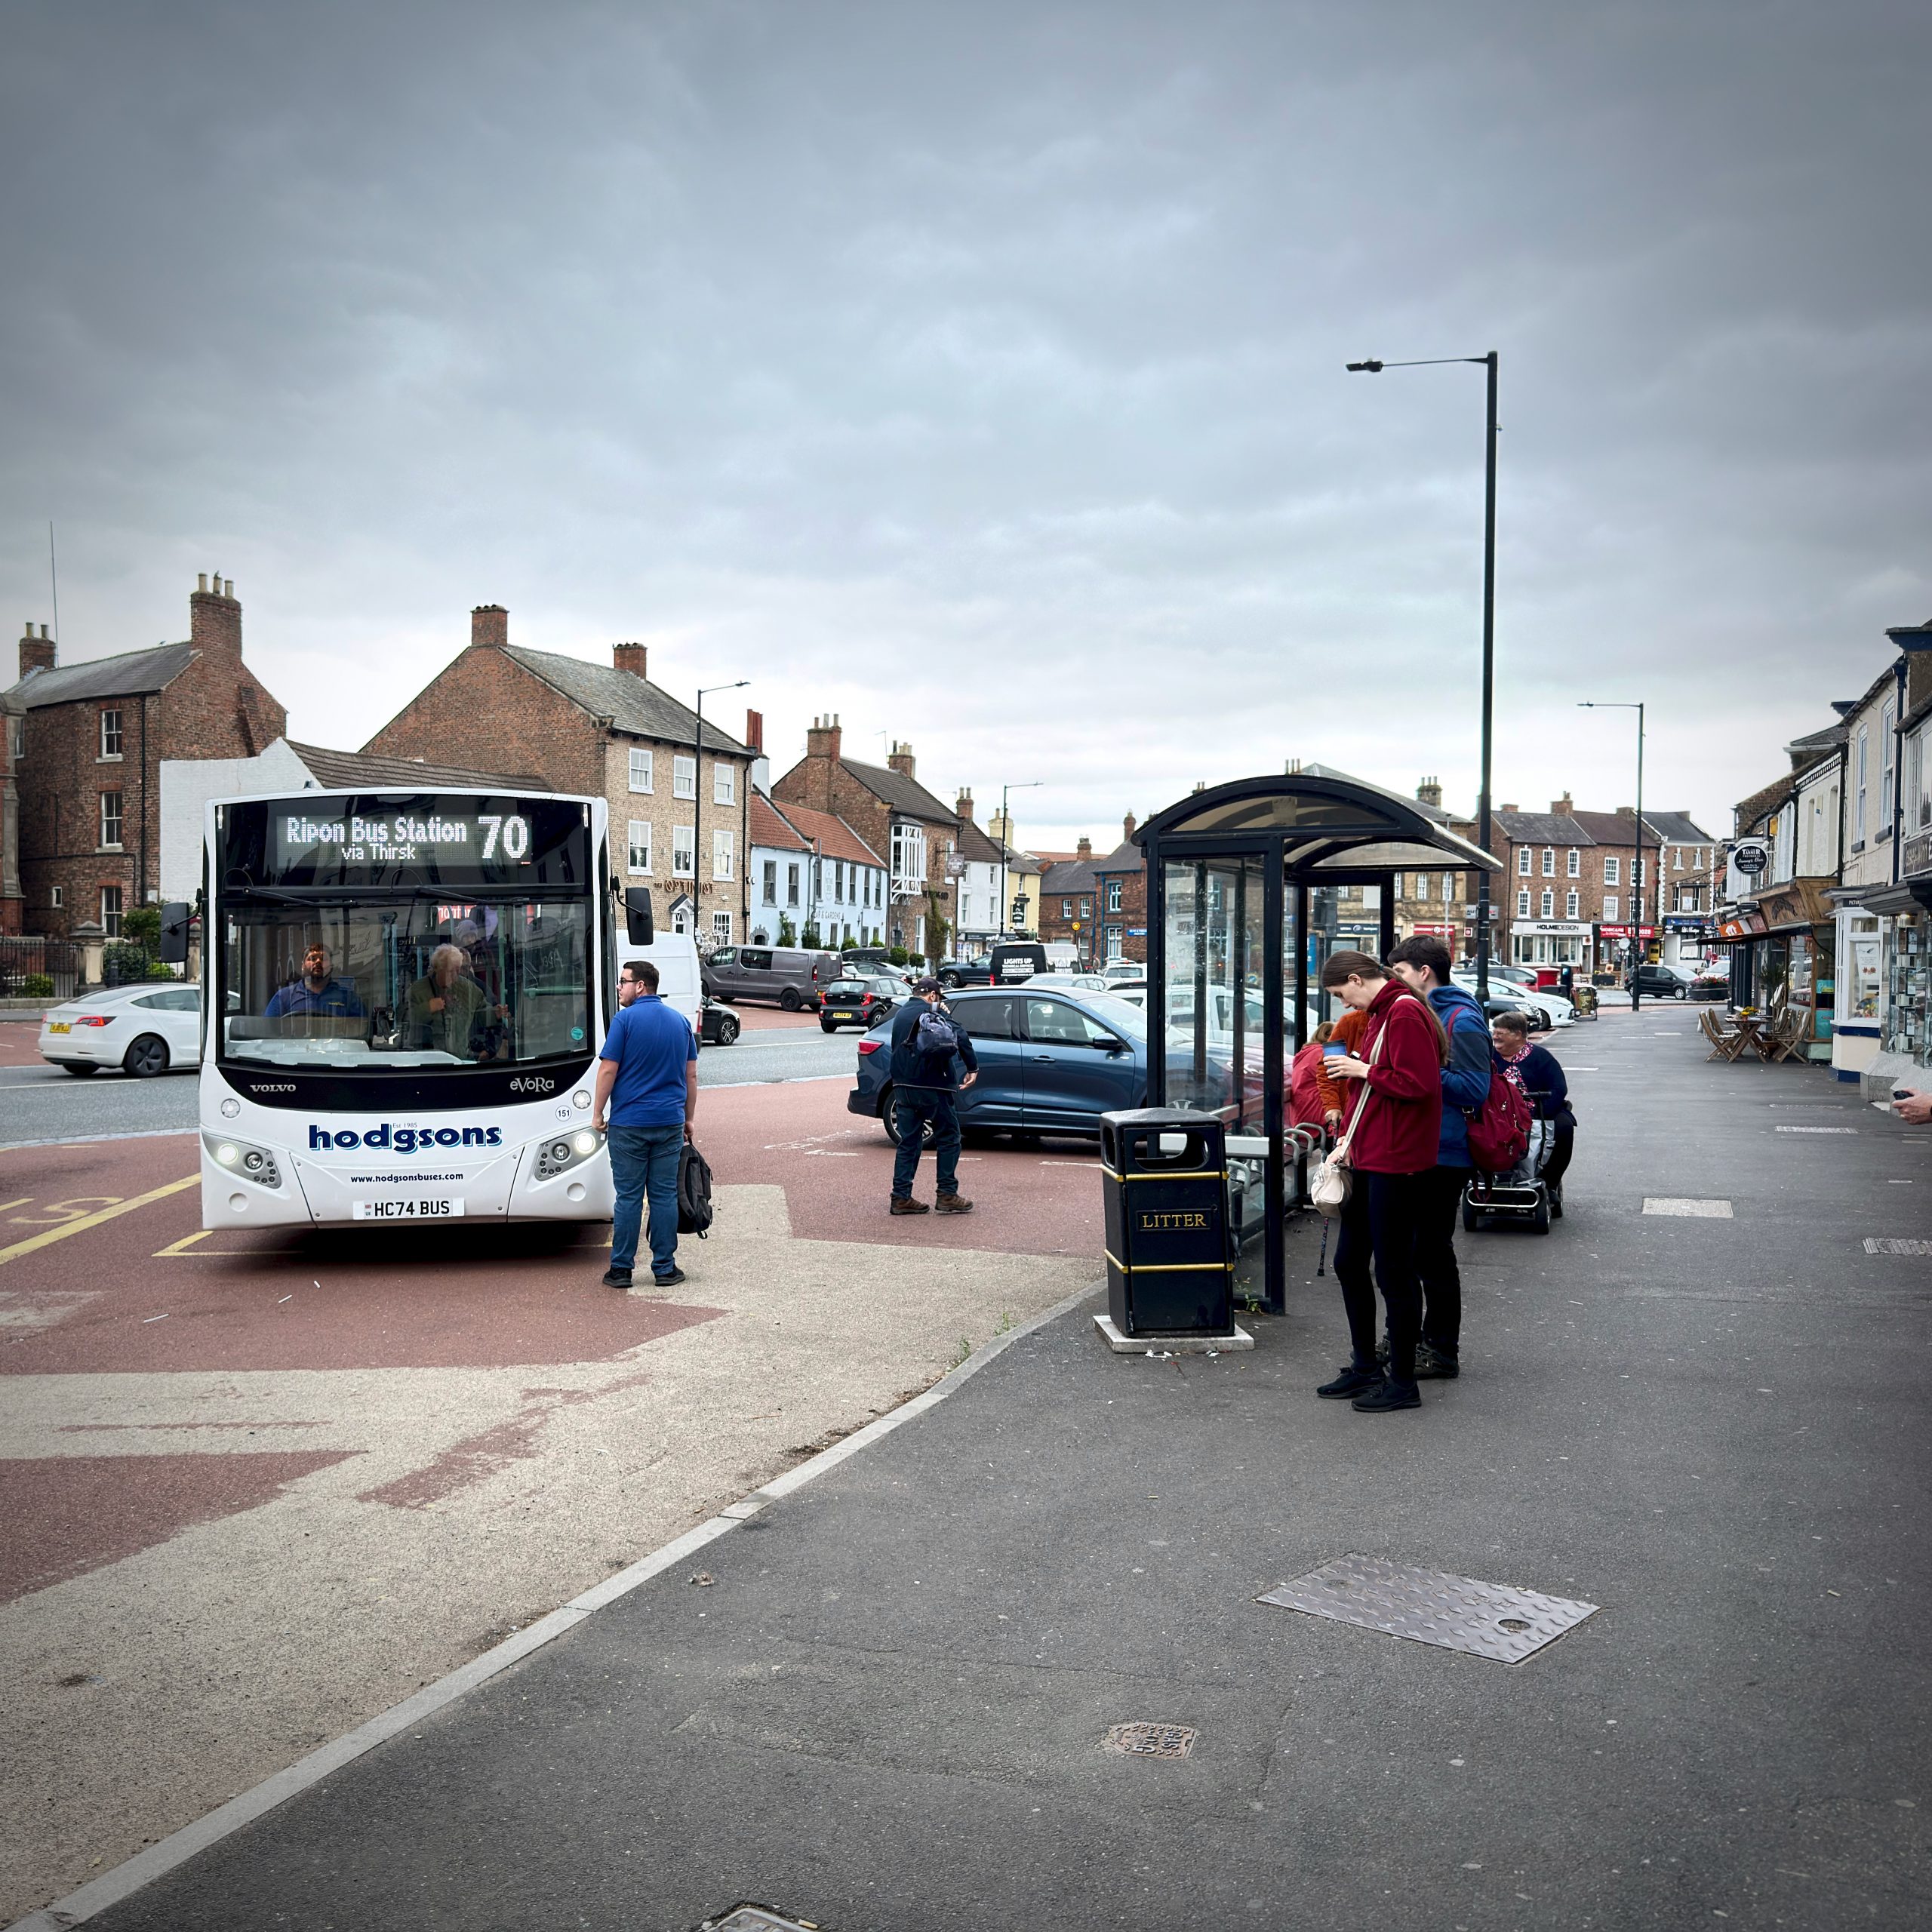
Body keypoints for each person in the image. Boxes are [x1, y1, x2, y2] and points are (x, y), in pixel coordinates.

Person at [1316, 949, 1447, 1414]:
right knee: (1350, 1263)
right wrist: (1348, 1137)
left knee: (1393, 1271)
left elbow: (1421, 1084)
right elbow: (1381, 1086)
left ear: (1356, 978)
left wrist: (1362, 1069)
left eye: (1341, 994)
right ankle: (1366, 1365)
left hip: (1398, 1160)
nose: (1344, 1005)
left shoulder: (1403, 1012)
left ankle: (1403, 1382)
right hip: (1372, 1153)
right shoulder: (1384, 1011)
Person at [1387, 934, 1494, 1376]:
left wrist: (1419, 1073)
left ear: (1423, 972)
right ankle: (1410, 1340)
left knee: (1432, 1253)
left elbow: (1476, 1088)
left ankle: (1441, 1349)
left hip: (1446, 1153)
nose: (1395, 981)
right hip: (1420, 1147)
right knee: (1412, 1252)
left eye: (1400, 973)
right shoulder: (1423, 1012)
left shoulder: (1462, 1018)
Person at [593, 958, 698, 1290]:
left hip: (629, 1124)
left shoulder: (623, 1021)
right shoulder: (680, 1022)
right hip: (669, 1122)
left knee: (628, 1197)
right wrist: (689, 1118)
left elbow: (608, 1070)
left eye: (623, 981)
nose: (620, 987)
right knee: (664, 1195)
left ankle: (621, 1270)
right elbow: (690, 1075)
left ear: (640, 986)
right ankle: (665, 1269)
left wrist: (598, 1112)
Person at [887, 976, 979, 1215]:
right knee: (949, 1137)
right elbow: (959, 1036)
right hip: (933, 1085)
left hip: (902, 1086)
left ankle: (901, 1197)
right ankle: (947, 1194)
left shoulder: (900, 1014)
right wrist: (972, 1068)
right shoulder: (934, 1010)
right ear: (933, 995)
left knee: (909, 1142)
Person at [1490, 1011, 1574, 1212]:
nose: (1495, 1036)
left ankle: (1550, 1182)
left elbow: (1558, 1088)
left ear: (1519, 1035)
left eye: (1501, 1033)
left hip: (1538, 1110)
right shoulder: (1489, 1057)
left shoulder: (1540, 1057)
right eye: (1494, 1032)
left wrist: (1539, 1112)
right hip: (1497, 1112)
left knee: (1564, 1127)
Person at [405, 943, 504, 1060]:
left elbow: (481, 1011)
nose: (456, 975)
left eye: (458, 970)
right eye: (450, 971)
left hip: (460, 1060)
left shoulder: (468, 988)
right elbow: (403, 1019)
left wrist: (494, 1014)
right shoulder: (418, 991)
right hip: (426, 1061)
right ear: (438, 969)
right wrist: (427, 1008)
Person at [264, 943, 365, 1020]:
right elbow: (268, 1031)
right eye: (312, 959)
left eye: (323, 959)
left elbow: (361, 1031)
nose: (318, 962)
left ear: (331, 966)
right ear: (303, 966)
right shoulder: (284, 997)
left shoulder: (348, 997)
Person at [1289, 1021, 1335, 1131]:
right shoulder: (1319, 1053)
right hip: (1314, 1113)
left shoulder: (1309, 1052)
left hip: (1304, 1111)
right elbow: (1336, 1079)